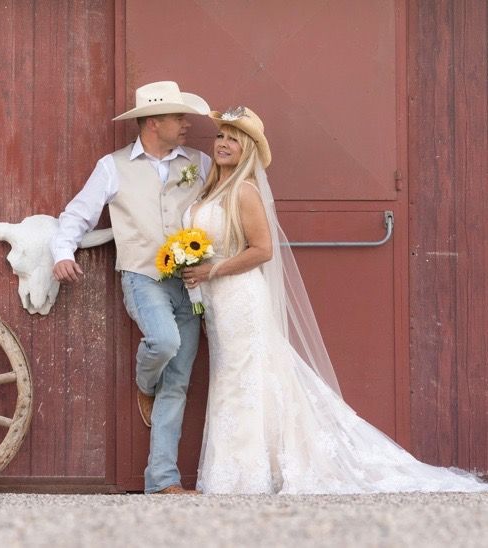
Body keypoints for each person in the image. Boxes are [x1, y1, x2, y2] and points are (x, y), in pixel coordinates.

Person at [182, 106, 488, 494]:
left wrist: (212, 270)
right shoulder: (210, 190)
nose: (224, 144)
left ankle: (247, 474)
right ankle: (241, 467)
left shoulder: (244, 192)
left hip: (241, 298)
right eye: (221, 136)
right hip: (216, 304)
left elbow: (263, 250)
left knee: (245, 376)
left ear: (248, 152)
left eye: (234, 140)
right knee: (232, 376)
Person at [51, 81, 212, 495]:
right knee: (162, 341)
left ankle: (162, 481)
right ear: (154, 122)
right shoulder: (112, 166)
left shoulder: (200, 162)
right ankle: (145, 384)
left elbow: (220, 210)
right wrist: (62, 253)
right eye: (179, 117)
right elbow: (77, 214)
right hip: (142, 276)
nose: (186, 124)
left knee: (178, 382)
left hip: (191, 282)